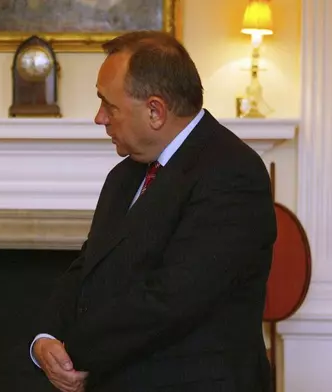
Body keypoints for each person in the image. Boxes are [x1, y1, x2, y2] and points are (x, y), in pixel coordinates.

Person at [30, 31, 276, 392]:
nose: (99, 118)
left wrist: (75, 352)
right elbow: (88, 267)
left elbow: (172, 300)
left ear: (155, 111)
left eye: (108, 105)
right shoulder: (125, 174)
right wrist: (46, 339)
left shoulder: (232, 172)